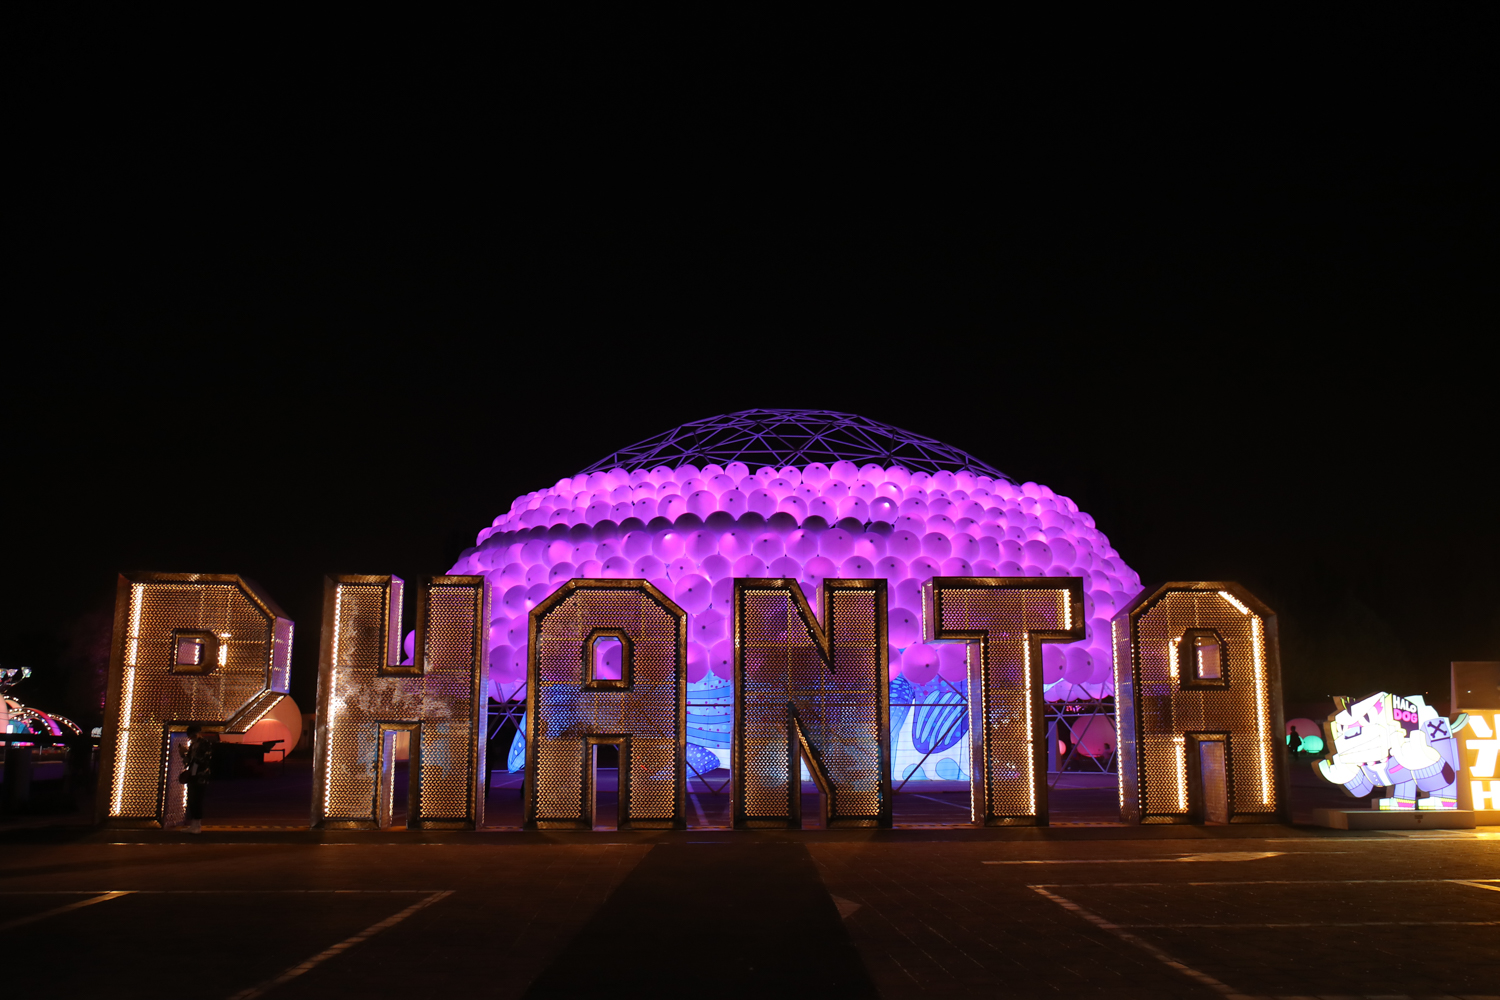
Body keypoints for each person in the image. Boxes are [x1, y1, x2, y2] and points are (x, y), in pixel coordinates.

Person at [177, 725, 215, 833]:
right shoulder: (193, 745)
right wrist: (183, 754)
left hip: (201, 775)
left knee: (197, 799)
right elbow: (188, 761)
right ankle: (194, 825)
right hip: (192, 775)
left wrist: (191, 755)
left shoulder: (205, 744)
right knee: (192, 800)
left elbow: (204, 760)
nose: (192, 738)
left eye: (193, 735)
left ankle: (197, 825)